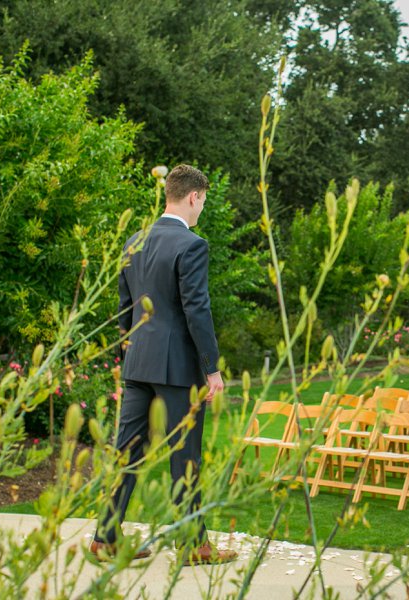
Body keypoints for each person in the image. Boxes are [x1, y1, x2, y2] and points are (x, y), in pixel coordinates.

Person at [91, 164, 237, 565]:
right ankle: (193, 546)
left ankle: (104, 538)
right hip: (176, 370)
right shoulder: (192, 245)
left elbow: (124, 309)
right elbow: (197, 310)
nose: (201, 209)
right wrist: (212, 369)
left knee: (127, 452)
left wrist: (128, 355)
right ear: (193, 197)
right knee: (184, 454)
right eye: (203, 202)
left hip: (137, 363)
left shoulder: (134, 241)